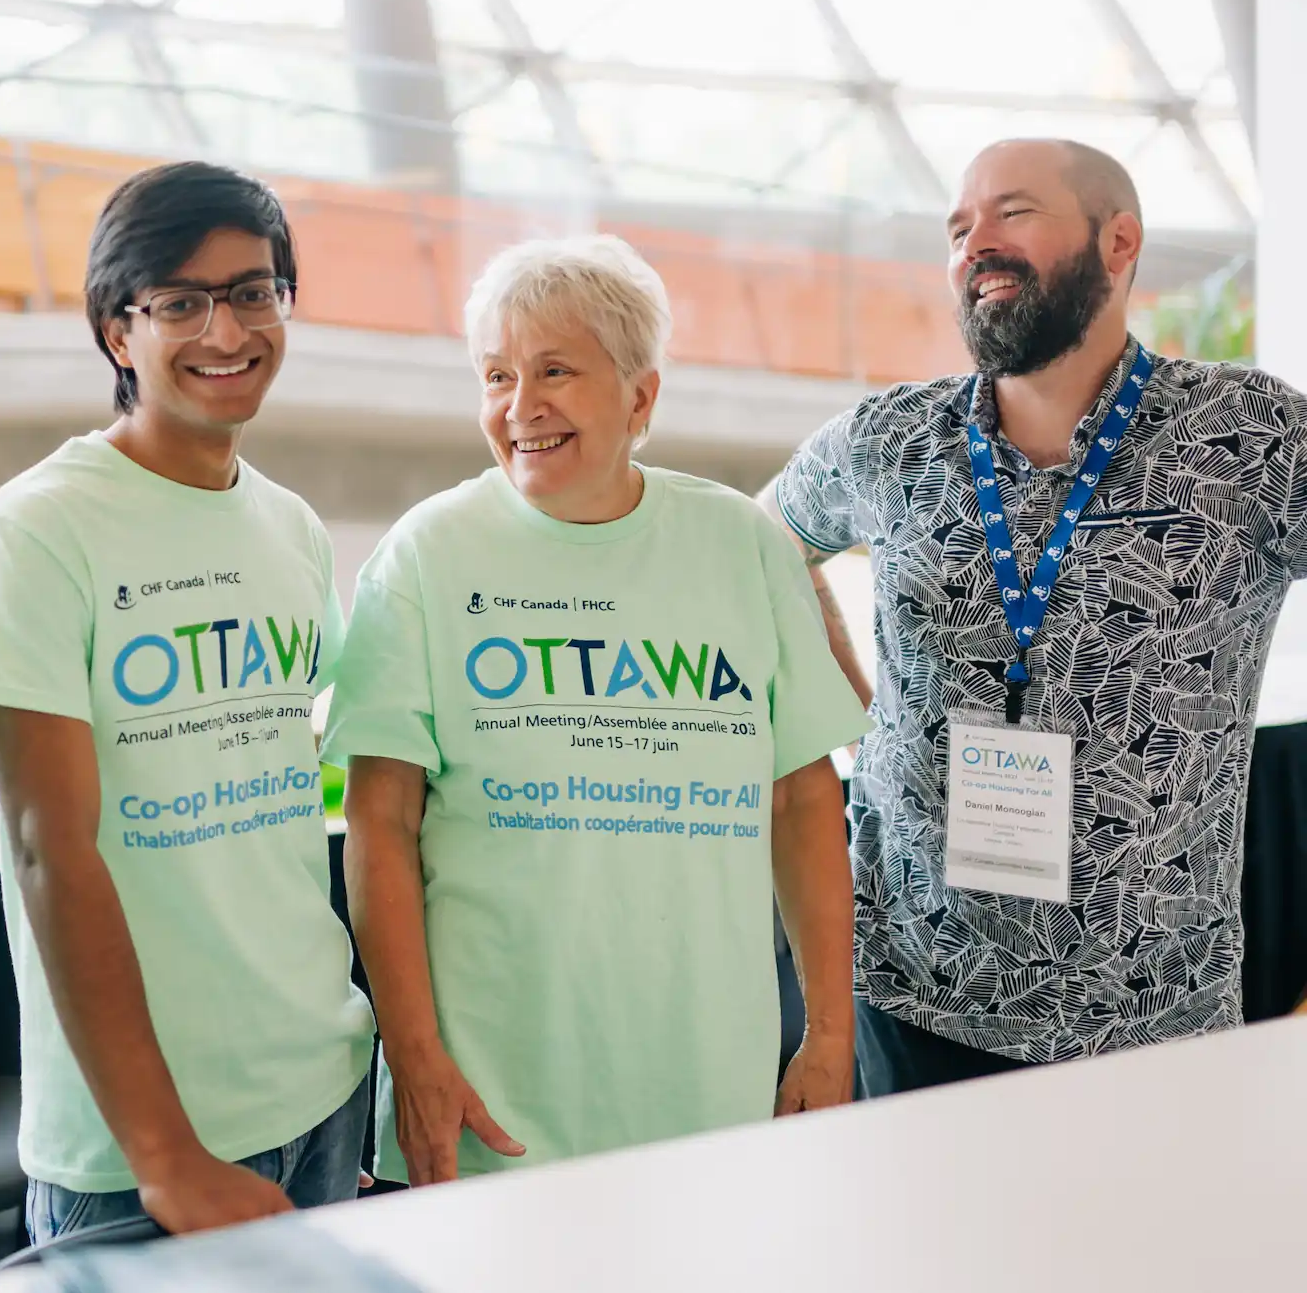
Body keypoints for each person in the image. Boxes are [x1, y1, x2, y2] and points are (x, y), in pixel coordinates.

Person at [763, 137, 1307, 1096]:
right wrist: (848, 708)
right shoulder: (888, 439)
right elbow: (758, 557)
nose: (976, 243)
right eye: (959, 227)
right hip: (912, 1000)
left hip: (1155, 1022)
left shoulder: (1251, 439)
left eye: (1012, 212)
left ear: (1119, 240)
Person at [323, 235, 867, 1187]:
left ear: (640, 397)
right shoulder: (426, 558)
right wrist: (414, 1059)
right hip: (490, 1109)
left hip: (710, 1099)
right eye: (497, 375)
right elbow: (378, 822)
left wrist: (829, 1035)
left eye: (555, 371)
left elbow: (804, 804)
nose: (520, 406)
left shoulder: (740, 547)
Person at [0, 161, 375, 1243]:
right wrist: (164, 1154)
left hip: (322, 1082)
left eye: (254, 290)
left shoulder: (292, 528)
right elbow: (48, 853)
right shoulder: (35, 533)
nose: (226, 328)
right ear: (118, 332)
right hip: (143, 1146)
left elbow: (291, 792)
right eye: (179, 301)